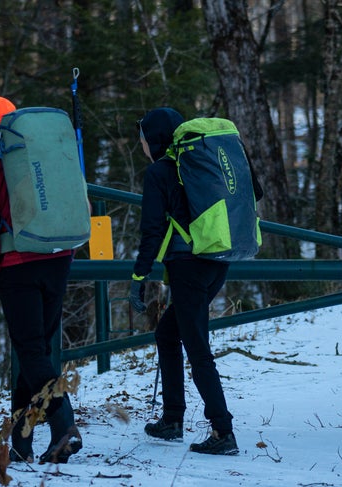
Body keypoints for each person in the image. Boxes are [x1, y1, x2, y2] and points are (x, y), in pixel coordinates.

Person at [0, 96, 82, 464]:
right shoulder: (44, 159)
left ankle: (64, 425)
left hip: (17, 265)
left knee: (31, 349)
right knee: (34, 351)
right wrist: (66, 252)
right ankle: (21, 442)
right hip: (58, 257)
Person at [129, 107, 239, 455]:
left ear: (155, 139)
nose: (142, 146)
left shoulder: (160, 172)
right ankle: (172, 418)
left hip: (188, 265)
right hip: (218, 260)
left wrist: (139, 275)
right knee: (167, 332)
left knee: (197, 348)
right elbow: (257, 193)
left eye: (143, 139)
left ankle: (223, 432)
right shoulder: (202, 162)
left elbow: (151, 230)